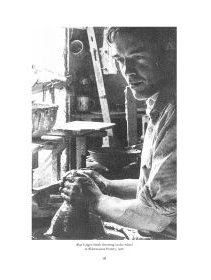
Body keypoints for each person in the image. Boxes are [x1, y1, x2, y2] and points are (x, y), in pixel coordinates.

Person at [61, 27, 177, 240]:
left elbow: (153, 217)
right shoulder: (160, 103)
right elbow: (157, 194)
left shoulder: (177, 117)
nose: (128, 71)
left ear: (170, 51)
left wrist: (94, 199)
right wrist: (106, 185)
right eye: (120, 60)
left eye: (138, 58)